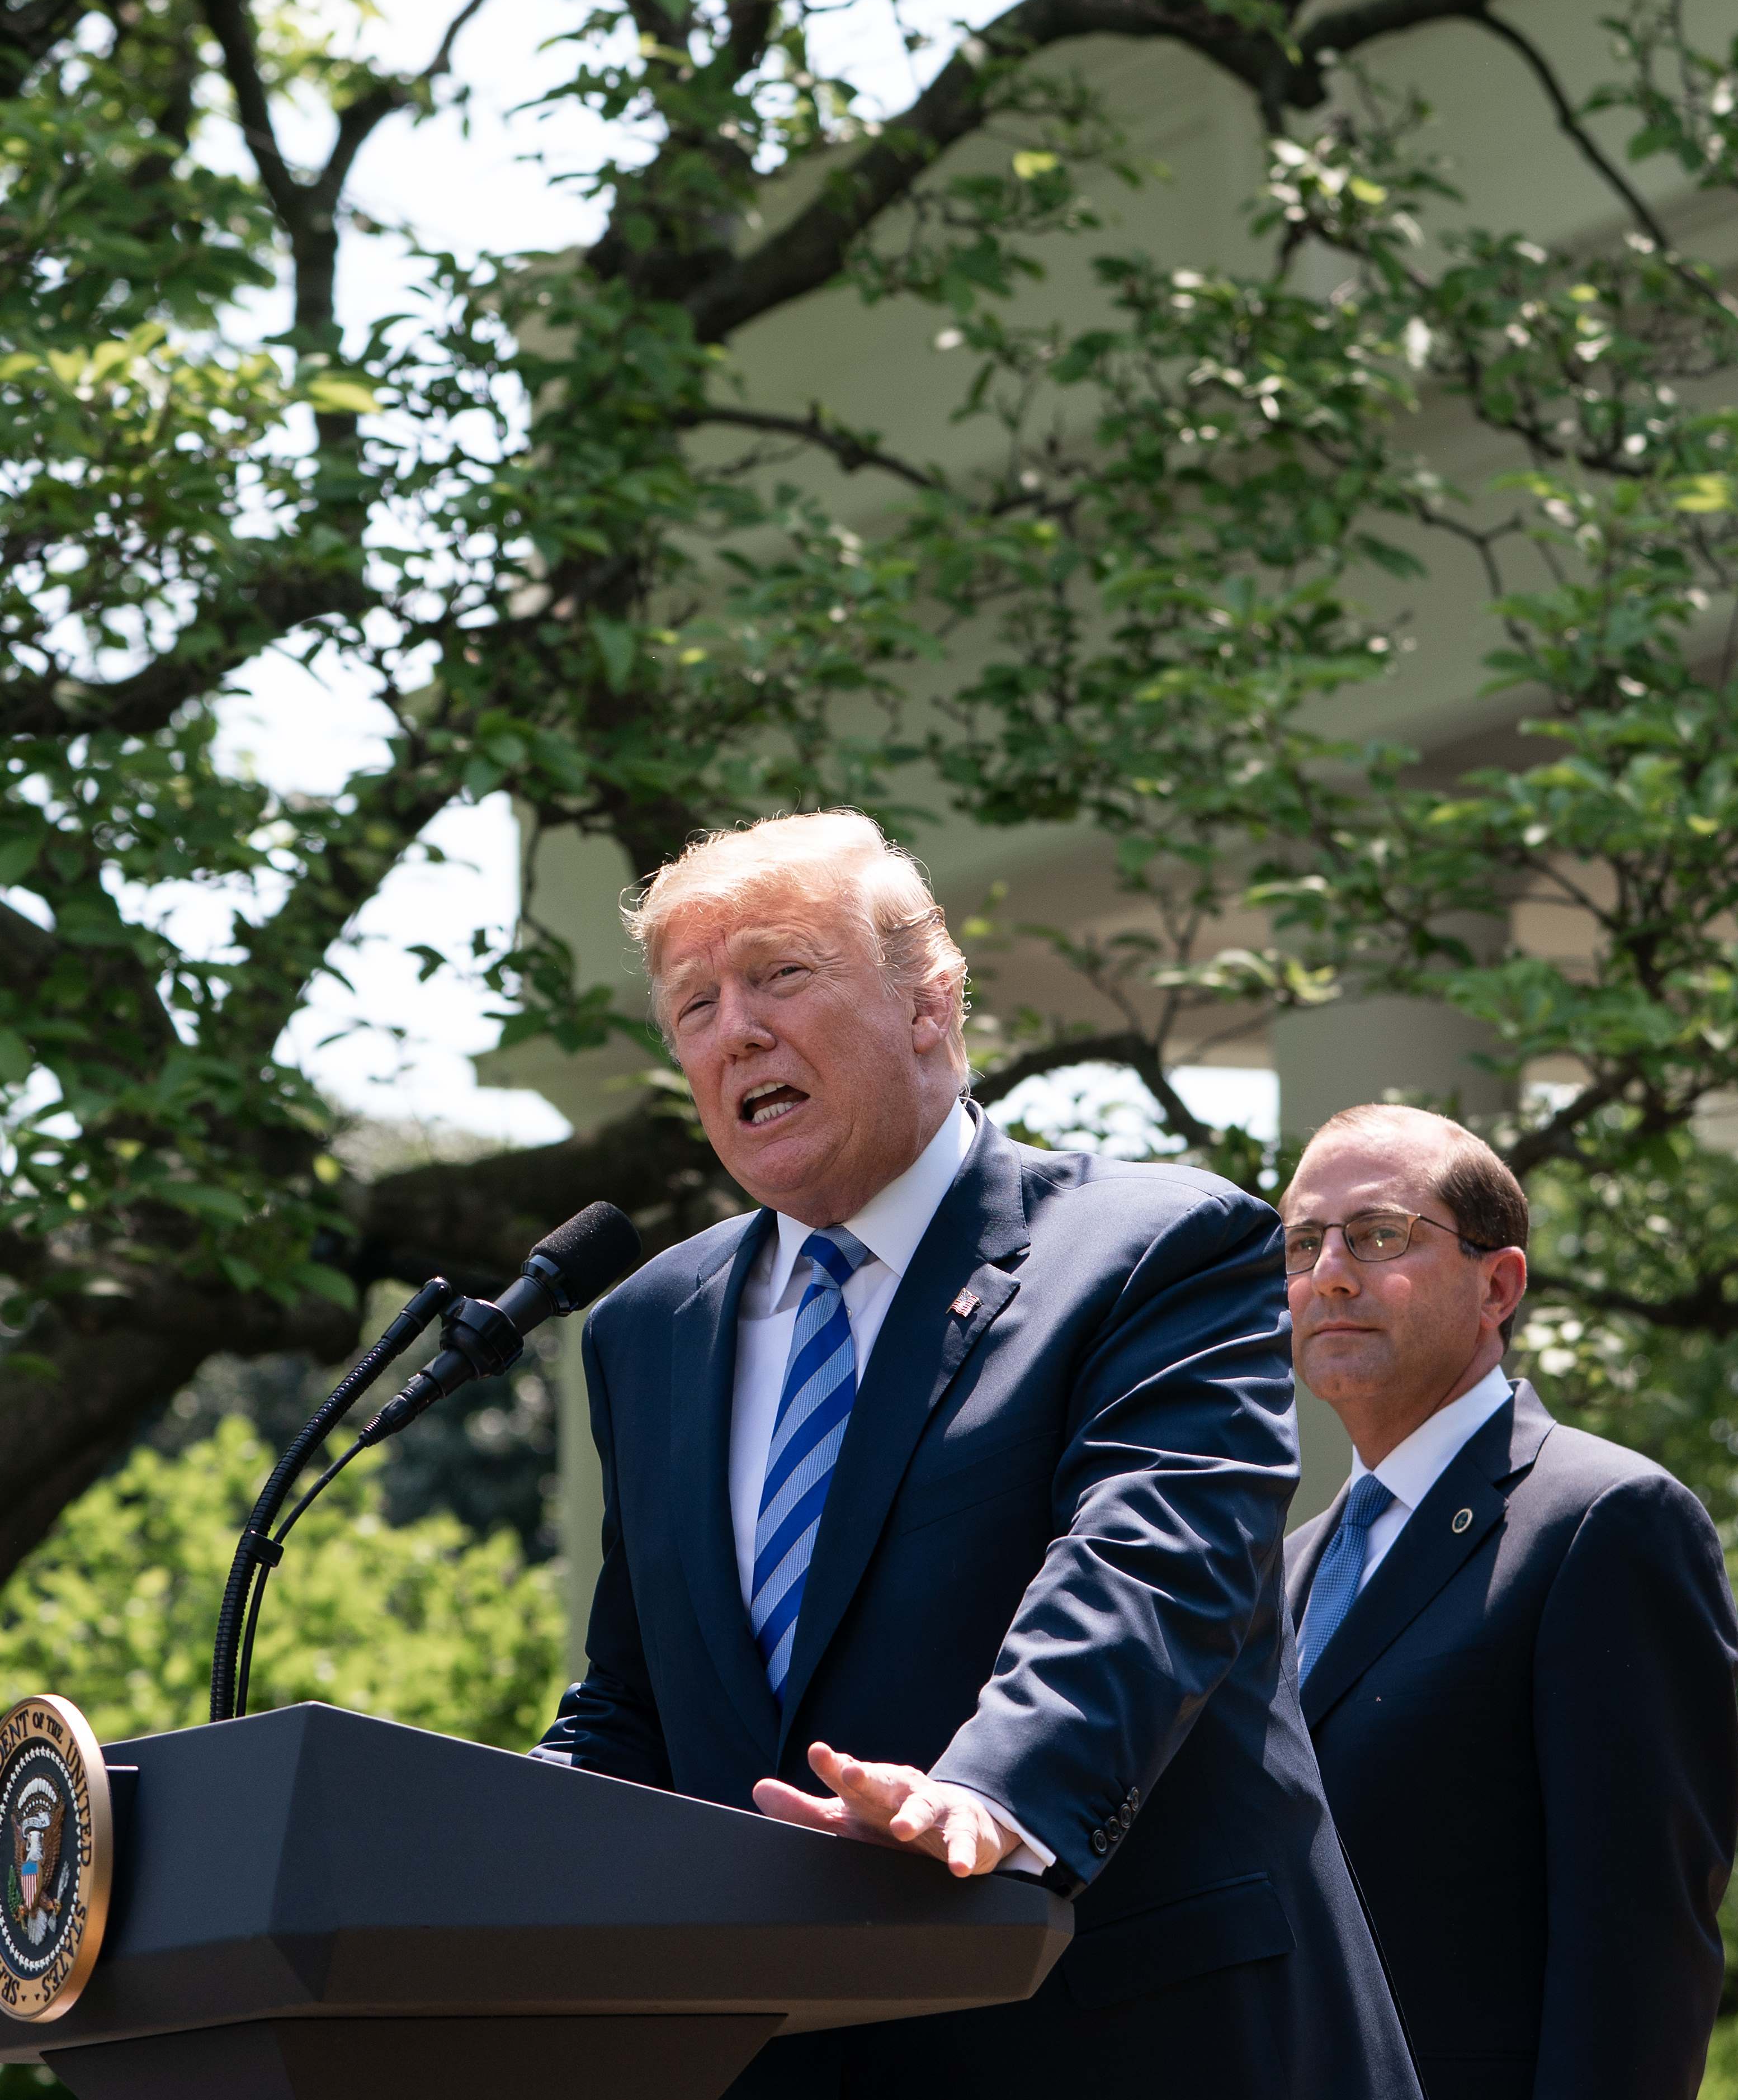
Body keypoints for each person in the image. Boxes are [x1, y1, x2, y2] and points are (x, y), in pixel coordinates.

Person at [535, 811, 1418, 2100]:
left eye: (782, 973)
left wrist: (991, 1793)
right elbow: (638, 1705)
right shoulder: (647, 1328)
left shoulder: (1159, 1249)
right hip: (792, 2054)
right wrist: (459, 1844)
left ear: (929, 1006)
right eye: (694, 1006)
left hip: (1128, 2035)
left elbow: (1148, 1570)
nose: (737, 1029)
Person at [1282, 1104, 1738, 2100]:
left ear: (1498, 1284)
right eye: (1302, 1242)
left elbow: (1639, 1950)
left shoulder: (1604, 1522)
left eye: (1377, 1234)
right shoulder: (1281, 1571)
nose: (1329, 1273)